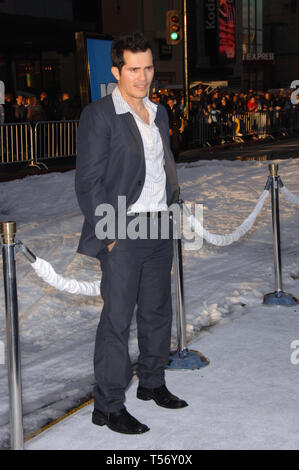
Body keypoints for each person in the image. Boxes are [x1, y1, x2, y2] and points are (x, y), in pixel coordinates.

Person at [75, 32, 187, 436]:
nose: (143, 77)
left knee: (157, 311)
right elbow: (88, 182)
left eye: (148, 68)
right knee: (117, 321)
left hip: (159, 225)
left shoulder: (159, 113)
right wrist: (109, 235)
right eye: (133, 69)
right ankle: (107, 405)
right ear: (116, 70)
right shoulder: (100, 114)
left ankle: (152, 382)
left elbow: (160, 168)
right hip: (122, 230)